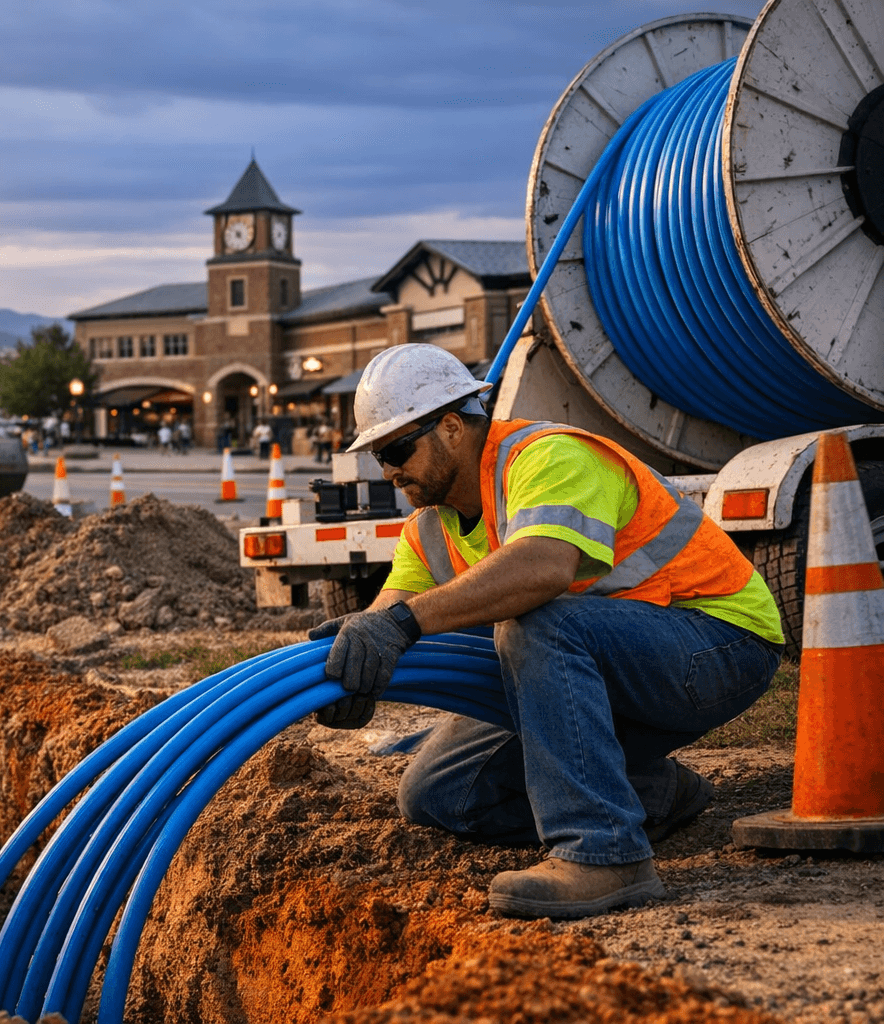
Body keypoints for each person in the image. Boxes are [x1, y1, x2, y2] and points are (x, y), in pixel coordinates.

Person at [310, 345, 781, 919]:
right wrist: (356, 666)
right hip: (613, 668)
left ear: (453, 427)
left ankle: (605, 854)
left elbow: (543, 567)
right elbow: (389, 618)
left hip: (718, 644)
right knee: (438, 792)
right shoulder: (426, 532)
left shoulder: (547, 456)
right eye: (377, 457)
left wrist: (402, 624)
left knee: (539, 620)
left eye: (397, 449)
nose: (387, 470)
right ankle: (652, 792)